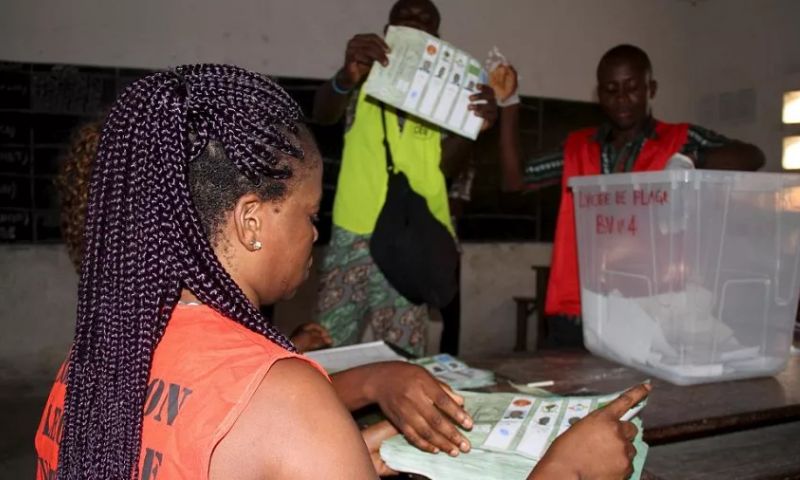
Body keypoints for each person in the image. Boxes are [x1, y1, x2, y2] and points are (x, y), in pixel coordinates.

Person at [50, 93, 478, 461]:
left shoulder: (92, 360)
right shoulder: (286, 393)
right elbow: (270, 410)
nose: (314, 232)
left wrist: (363, 405)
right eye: (310, 214)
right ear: (250, 221)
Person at [499, 44, 765, 347]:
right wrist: (509, 107)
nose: (622, 99)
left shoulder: (679, 139)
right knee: (571, 394)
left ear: (651, 88)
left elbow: (752, 156)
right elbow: (514, 180)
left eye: (632, 88)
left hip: (653, 314)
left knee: (646, 396)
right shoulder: (578, 147)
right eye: (611, 90)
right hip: (577, 313)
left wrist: (691, 159)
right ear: (599, 94)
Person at [313, 0, 498, 355]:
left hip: (414, 240)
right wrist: (345, 76)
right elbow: (322, 115)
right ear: (388, 32)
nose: (415, 23)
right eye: (405, 18)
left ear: (437, 40)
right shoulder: (363, 77)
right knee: (326, 352)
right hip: (353, 234)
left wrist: (474, 127)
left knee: (402, 361)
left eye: (425, 21)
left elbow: (447, 169)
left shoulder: (453, 93)